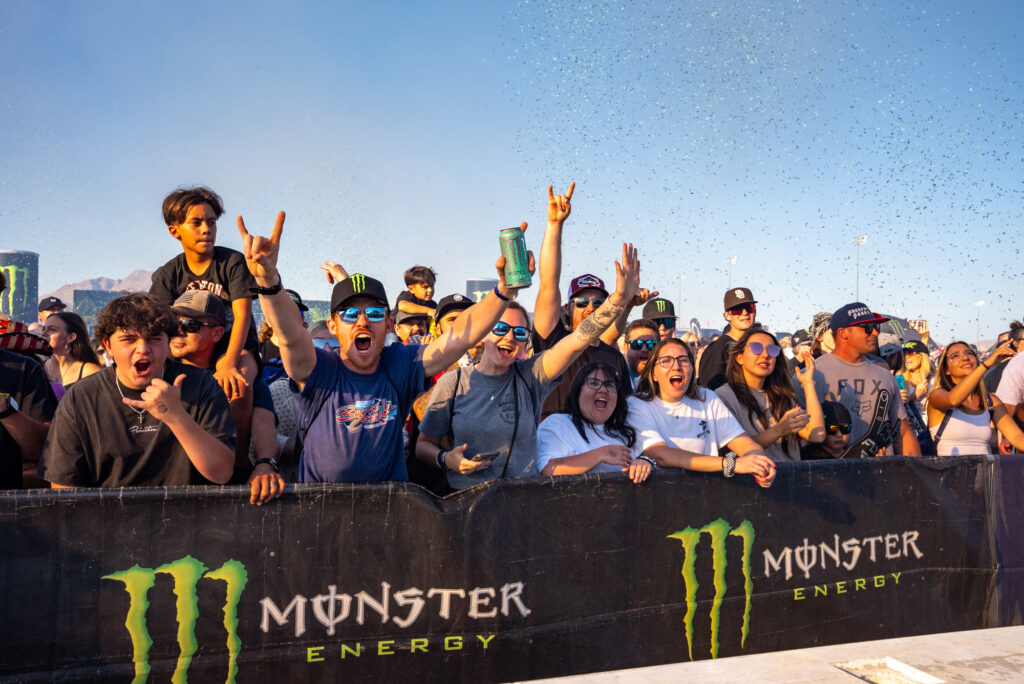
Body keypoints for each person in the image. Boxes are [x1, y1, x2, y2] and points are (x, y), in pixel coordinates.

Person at [238, 211, 531, 484]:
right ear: (332, 326)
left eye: (375, 313)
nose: (363, 322)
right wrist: (268, 282)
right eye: (350, 314)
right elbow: (290, 335)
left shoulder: (398, 365)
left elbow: (457, 338)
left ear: (390, 325)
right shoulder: (320, 368)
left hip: (390, 516)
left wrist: (502, 292)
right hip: (322, 516)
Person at [416, 245, 641, 491]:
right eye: (501, 328)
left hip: (521, 502)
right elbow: (424, 445)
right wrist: (446, 459)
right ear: (484, 333)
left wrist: (618, 301)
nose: (510, 337)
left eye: (520, 332)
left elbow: (579, 339)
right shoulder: (454, 382)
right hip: (464, 501)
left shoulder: (530, 376)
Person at [38, 293, 236, 487]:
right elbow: (63, 486)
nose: (143, 348)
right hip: (109, 517)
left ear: (168, 342)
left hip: (188, 516)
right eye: (129, 339)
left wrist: (176, 417)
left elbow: (222, 472)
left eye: (154, 339)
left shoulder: (200, 385)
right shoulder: (82, 398)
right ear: (108, 346)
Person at [168, 290, 284, 504]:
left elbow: (264, 428)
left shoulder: (245, 381)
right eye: (171, 325)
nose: (178, 332)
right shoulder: (161, 377)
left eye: (189, 325)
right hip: (171, 489)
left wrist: (265, 464)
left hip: (227, 490)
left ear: (217, 333)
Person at [149, 186, 259, 404]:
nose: (206, 229)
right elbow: (158, 323)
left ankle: (236, 439)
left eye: (211, 222)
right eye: (196, 223)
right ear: (175, 231)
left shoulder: (233, 263)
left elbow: (242, 315)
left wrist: (229, 361)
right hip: (190, 348)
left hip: (236, 346)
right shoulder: (169, 273)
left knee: (237, 386)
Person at [532, 183, 632, 419]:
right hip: (558, 449)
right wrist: (555, 225)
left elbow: (625, 411)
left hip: (603, 449)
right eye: (582, 301)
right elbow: (548, 284)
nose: (591, 308)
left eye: (599, 303)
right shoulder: (552, 341)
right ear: (567, 308)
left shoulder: (614, 357)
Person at [627, 338, 777, 485]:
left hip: (706, 496)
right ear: (653, 373)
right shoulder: (637, 404)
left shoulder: (707, 397)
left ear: (692, 369)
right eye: (666, 361)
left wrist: (760, 464)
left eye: (683, 360)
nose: (676, 366)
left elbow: (743, 443)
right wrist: (731, 464)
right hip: (660, 497)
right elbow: (662, 455)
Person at [796, 303, 919, 457]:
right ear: (843, 333)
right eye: (867, 328)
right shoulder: (808, 375)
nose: (874, 333)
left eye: (876, 327)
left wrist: (914, 473)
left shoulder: (885, 375)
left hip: (880, 474)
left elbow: (903, 432)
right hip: (828, 476)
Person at [715, 328, 825, 463]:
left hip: (791, 479)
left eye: (772, 350)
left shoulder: (782, 395)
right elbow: (732, 453)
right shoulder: (724, 397)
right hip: (753, 481)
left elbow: (816, 435)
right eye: (756, 348)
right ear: (739, 358)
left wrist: (808, 383)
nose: (765, 355)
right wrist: (779, 430)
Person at [536, 361, 652, 483]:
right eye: (594, 383)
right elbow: (548, 469)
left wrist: (641, 464)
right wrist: (600, 455)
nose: (603, 389)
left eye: (609, 385)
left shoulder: (622, 433)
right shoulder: (557, 424)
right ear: (578, 391)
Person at [928, 341, 1024, 456]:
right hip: (950, 473)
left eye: (969, 353)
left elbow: (1016, 437)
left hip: (984, 472)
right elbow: (953, 400)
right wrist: (986, 364)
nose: (965, 358)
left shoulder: (990, 400)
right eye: (955, 356)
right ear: (946, 370)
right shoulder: (937, 395)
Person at [697, 287, 760, 390]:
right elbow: (708, 392)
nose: (744, 313)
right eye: (737, 310)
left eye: (749, 307)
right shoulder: (718, 348)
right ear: (727, 315)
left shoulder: (760, 346)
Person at [40, 312, 103, 391]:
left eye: (52, 329)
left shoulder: (90, 373)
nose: (44, 333)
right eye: (43, 329)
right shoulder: (38, 368)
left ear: (70, 337)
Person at [623, 319, 659, 390]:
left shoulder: (666, 383)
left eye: (651, 344)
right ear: (626, 347)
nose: (644, 349)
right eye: (637, 344)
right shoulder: (617, 380)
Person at [902, 339, 932, 410]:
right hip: (911, 420)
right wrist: (916, 394)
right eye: (904, 353)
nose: (906, 356)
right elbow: (900, 410)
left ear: (922, 356)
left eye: (910, 353)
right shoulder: (900, 381)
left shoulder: (935, 380)